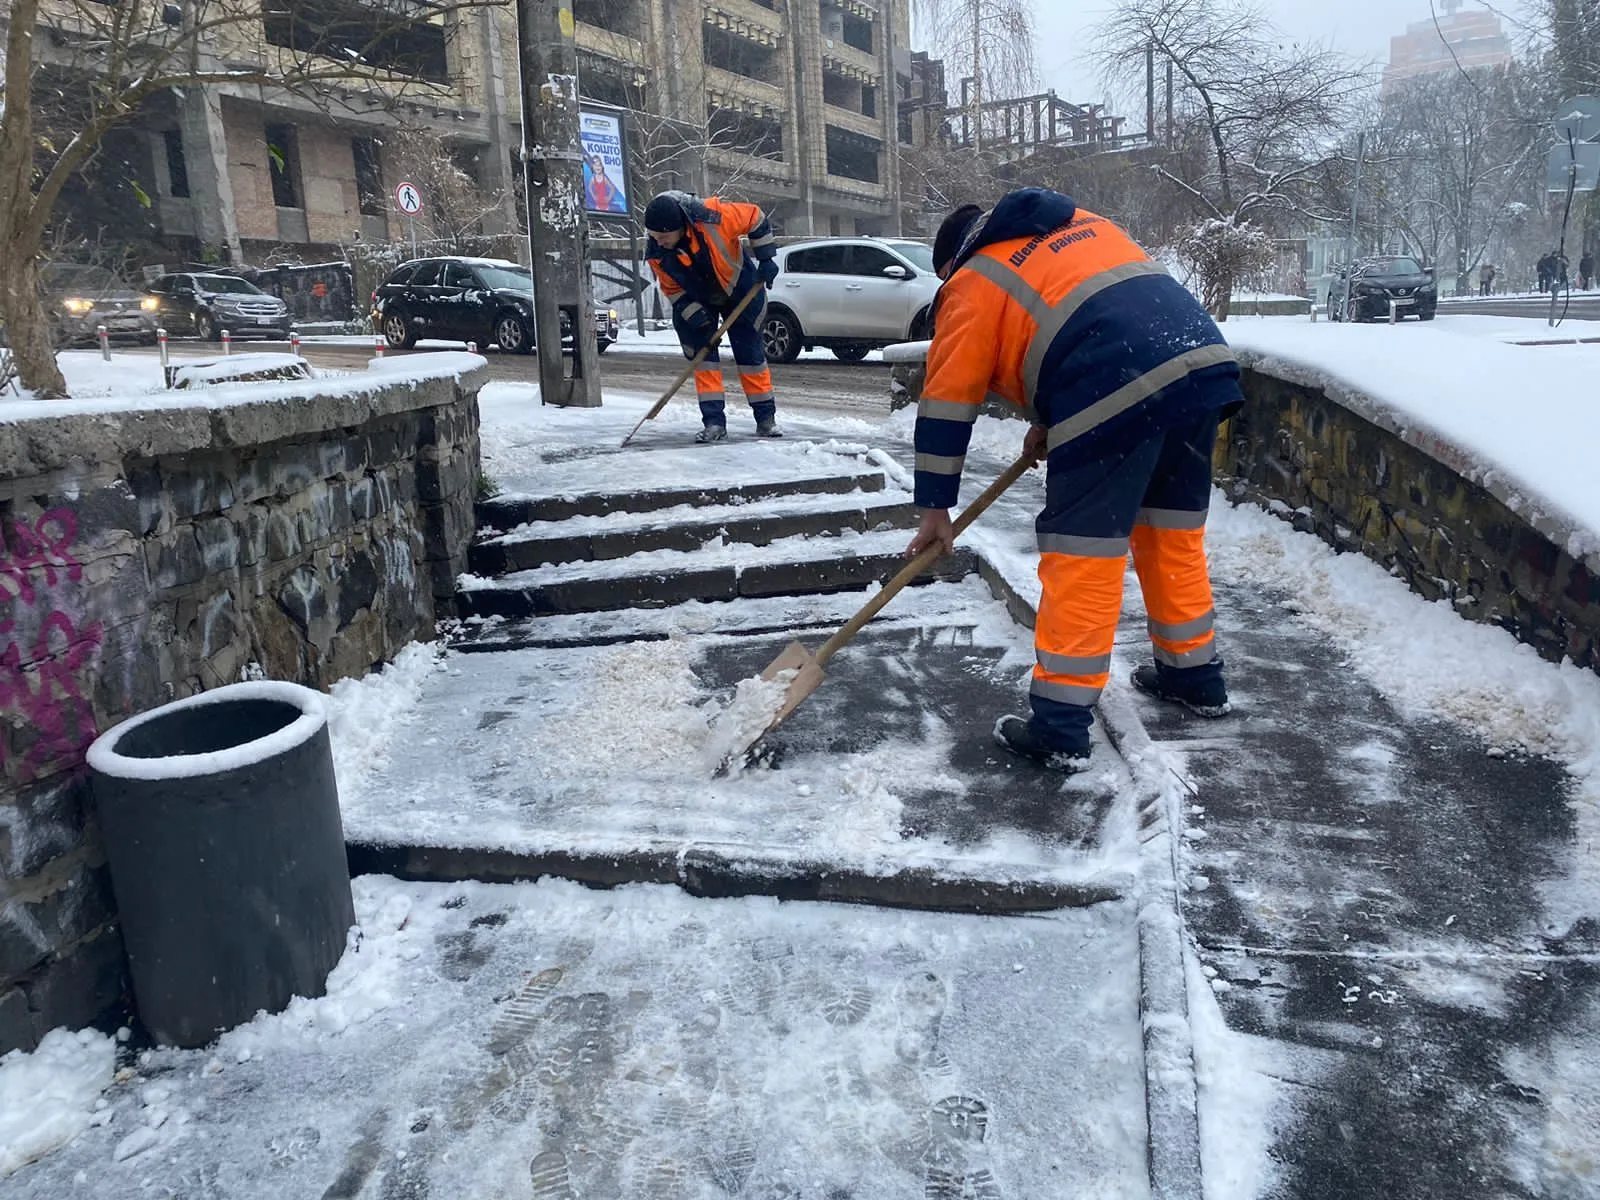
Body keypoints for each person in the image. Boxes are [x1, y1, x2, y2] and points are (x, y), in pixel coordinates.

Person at [906, 189, 1241, 772]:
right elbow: (1081, 319)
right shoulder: (1082, 226)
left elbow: (947, 400)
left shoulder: (973, 279)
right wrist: (1050, 420)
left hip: (1113, 380)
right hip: (1200, 369)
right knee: (1170, 534)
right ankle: (1194, 677)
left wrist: (935, 508)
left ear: (951, 262)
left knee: (1083, 553)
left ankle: (1060, 727)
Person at [643, 190, 782, 442]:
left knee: (750, 355)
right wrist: (692, 313)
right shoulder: (657, 253)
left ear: (680, 227)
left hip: (740, 287)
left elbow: (756, 217)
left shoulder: (714, 217)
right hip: (697, 297)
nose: (658, 242)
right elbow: (672, 288)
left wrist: (766, 257)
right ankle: (714, 423)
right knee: (703, 357)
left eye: (663, 237)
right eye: (653, 236)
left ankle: (766, 419)